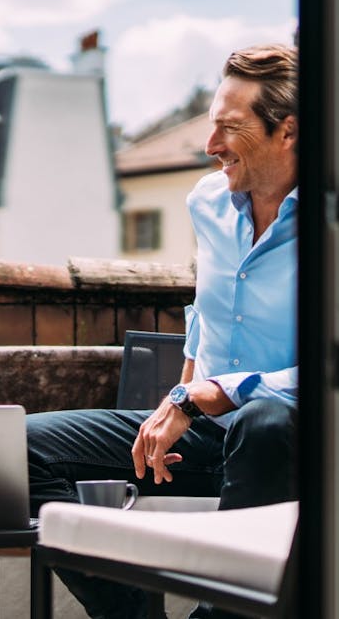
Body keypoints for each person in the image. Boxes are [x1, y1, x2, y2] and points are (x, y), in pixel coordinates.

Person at [27, 44, 299, 619]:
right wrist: (175, 401)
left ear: (288, 132)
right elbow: (207, 315)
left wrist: (210, 394)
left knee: (264, 418)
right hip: (209, 432)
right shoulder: (209, 203)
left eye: (229, 128)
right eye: (211, 127)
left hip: (293, 444)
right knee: (20, 448)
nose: (210, 146)